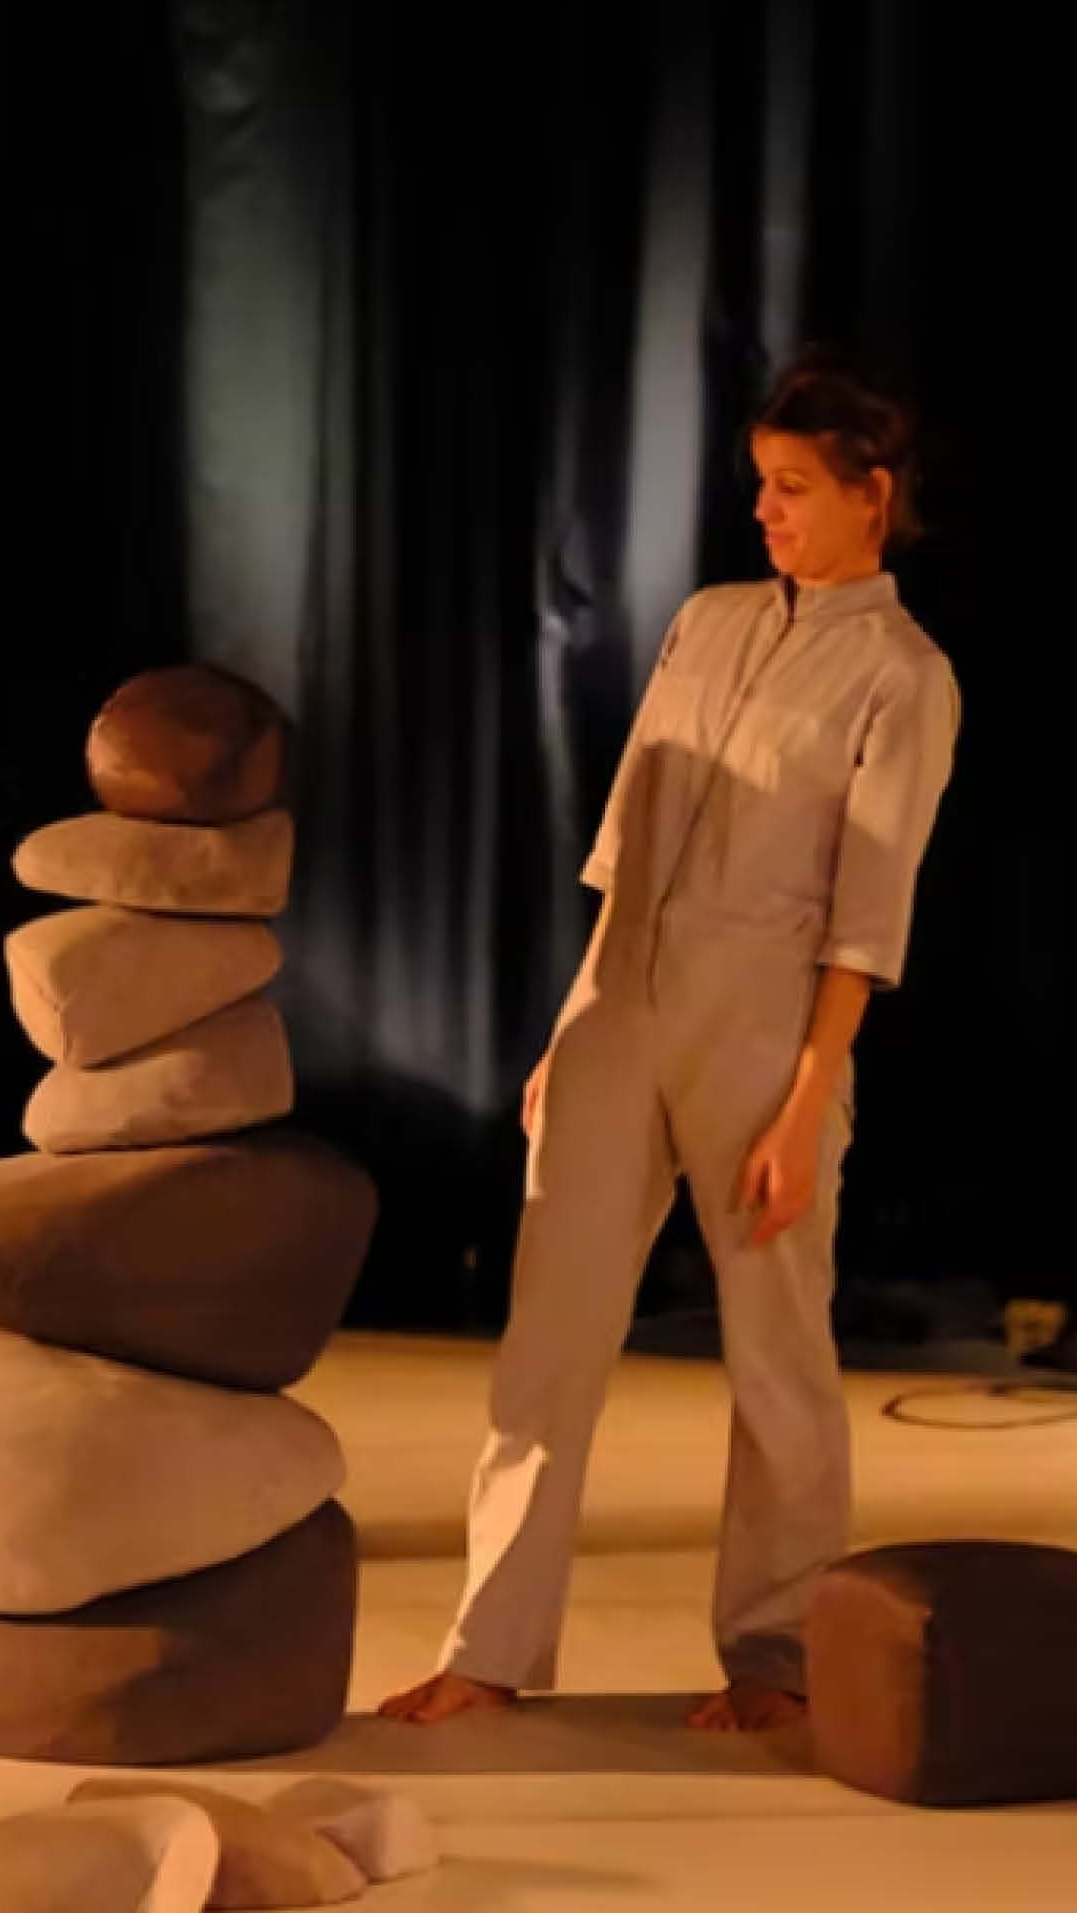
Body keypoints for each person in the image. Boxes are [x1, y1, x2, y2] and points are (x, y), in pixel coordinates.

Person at [380, 354, 959, 1732]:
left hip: (765, 1033)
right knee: (546, 1339)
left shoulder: (903, 676)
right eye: (760, 484)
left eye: (792, 487)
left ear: (871, 496)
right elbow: (627, 845)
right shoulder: (704, 623)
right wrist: (568, 1028)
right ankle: (489, 1646)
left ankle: (773, 1656)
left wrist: (805, 1104)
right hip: (615, 1014)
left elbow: (866, 920)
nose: (764, 510)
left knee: (775, 1358)